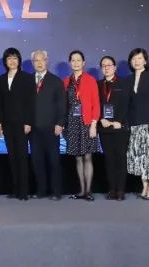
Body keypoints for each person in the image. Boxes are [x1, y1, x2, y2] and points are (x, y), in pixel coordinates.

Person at [126, 48, 149, 200]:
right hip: (134, 123)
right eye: (134, 58)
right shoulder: (128, 79)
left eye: (139, 58)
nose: (136, 61)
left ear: (145, 61)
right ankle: (144, 185)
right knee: (140, 156)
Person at [0, 47, 34, 200]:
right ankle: (15, 189)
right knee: (12, 157)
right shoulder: (1, 79)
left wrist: (28, 122)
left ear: (19, 60)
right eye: (9, 58)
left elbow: (31, 102)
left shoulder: (27, 78)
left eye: (15, 58)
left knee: (22, 157)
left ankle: (24, 192)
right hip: (7, 124)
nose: (12, 61)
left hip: (22, 124)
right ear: (5, 61)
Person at [63, 50, 100, 201]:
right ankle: (81, 190)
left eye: (79, 60)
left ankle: (88, 191)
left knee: (88, 157)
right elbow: (64, 104)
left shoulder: (90, 80)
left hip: (87, 123)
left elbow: (96, 104)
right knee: (78, 158)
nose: (76, 63)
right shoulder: (66, 81)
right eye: (73, 60)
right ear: (70, 63)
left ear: (83, 63)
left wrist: (93, 124)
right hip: (72, 123)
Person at [30, 50, 65, 201]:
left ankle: (56, 191)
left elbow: (62, 104)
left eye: (42, 60)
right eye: (36, 60)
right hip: (34, 129)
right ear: (33, 63)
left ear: (47, 61)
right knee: (37, 161)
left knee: (53, 161)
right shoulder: (28, 81)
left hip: (52, 128)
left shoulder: (55, 81)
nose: (39, 63)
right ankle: (41, 190)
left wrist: (60, 123)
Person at [97, 56, 131, 200]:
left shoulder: (124, 83)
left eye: (109, 65)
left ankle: (121, 190)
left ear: (115, 67)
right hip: (104, 128)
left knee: (121, 158)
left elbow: (127, 104)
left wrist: (119, 121)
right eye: (103, 66)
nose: (106, 68)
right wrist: (101, 118)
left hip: (120, 128)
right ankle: (112, 189)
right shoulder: (98, 84)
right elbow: (95, 104)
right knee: (109, 159)